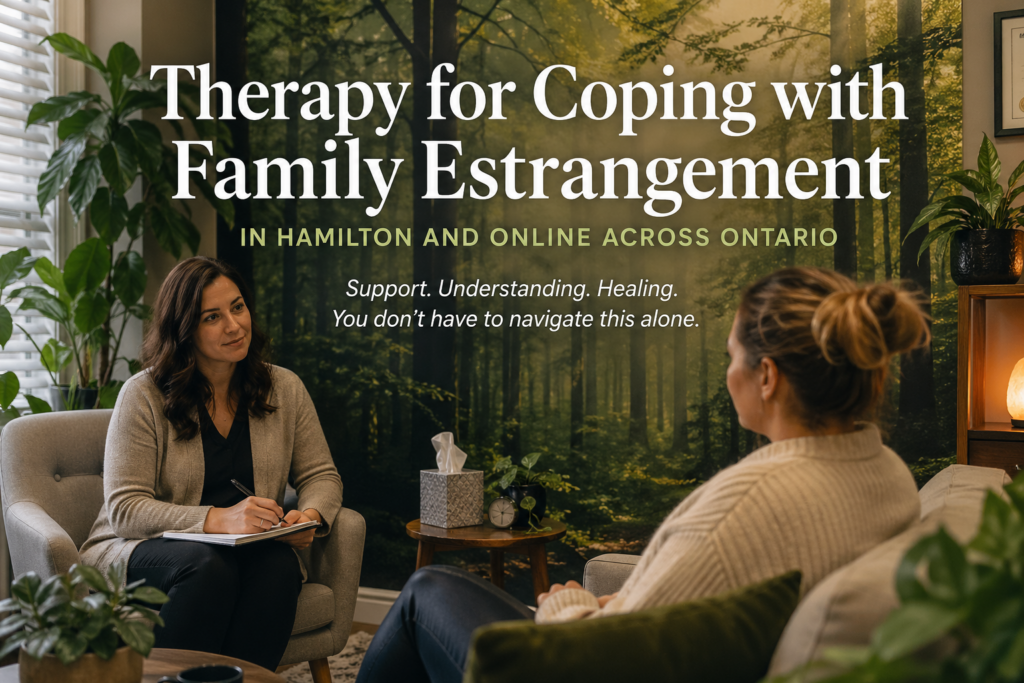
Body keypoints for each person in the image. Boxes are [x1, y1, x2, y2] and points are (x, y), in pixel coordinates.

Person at [355, 266, 929, 683]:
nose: (728, 372)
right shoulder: (886, 472)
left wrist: (567, 605)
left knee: (425, 590)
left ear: (767, 377)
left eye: (731, 356)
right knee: (442, 588)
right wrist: (617, 605)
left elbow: (596, 658)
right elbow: (668, 616)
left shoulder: (748, 502)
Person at [79, 257, 343, 671]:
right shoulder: (143, 395)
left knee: (279, 566)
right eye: (212, 317)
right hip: (136, 547)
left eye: (238, 307)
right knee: (207, 567)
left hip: (243, 549)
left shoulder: (284, 387)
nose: (234, 326)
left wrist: (307, 517)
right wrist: (218, 519)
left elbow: (321, 475)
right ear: (184, 329)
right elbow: (125, 510)